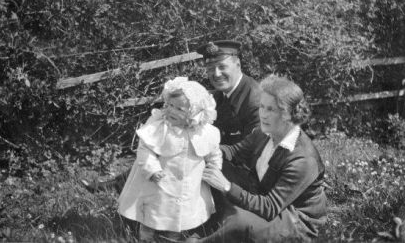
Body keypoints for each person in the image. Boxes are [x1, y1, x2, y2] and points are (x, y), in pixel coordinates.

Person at [82, 40, 261, 193]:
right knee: (166, 141)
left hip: (242, 173)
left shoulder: (254, 100)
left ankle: (128, 192)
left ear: (238, 65)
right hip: (220, 157)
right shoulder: (221, 93)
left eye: (222, 67)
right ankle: (122, 186)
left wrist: (197, 148)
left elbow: (247, 153)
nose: (216, 74)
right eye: (210, 68)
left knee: (176, 152)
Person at [188, 75, 327, 243]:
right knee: (214, 164)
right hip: (261, 191)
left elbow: (269, 207)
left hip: (294, 218)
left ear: (288, 115)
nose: (263, 114)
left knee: (241, 223)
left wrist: (226, 186)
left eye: (270, 109)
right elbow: (234, 151)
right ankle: (206, 219)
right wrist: (206, 150)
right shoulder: (264, 132)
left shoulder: (303, 159)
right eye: (261, 107)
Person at [118, 77, 223, 242]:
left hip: (190, 184)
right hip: (159, 184)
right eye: (170, 105)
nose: (172, 111)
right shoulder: (160, 126)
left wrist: (214, 169)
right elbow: (145, 149)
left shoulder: (204, 132)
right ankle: (146, 236)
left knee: (179, 214)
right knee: (154, 211)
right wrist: (152, 169)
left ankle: (172, 236)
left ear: (195, 112)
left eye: (180, 108)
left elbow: (213, 152)